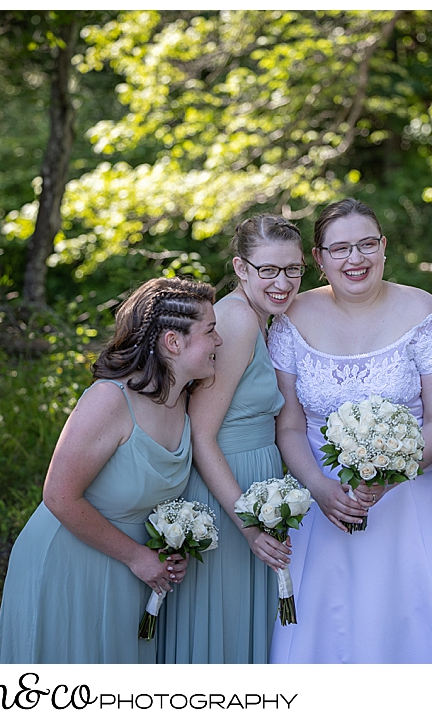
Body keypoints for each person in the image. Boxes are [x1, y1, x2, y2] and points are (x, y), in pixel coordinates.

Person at [266, 198, 432, 663]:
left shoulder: (424, 311)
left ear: (384, 247)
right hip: (324, 500)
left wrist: (390, 475)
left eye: (366, 244)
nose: (355, 259)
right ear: (318, 258)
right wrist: (321, 488)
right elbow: (290, 425)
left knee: (414, 625)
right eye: (339, 248)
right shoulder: (290, 319)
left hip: (409, 498)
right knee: (329, 631)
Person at [0, 277, 221, 664]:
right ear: (173, 342)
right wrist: (137, 556)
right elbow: (59, 496)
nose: (219, 342)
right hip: (70, 564)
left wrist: (168, 548)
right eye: (210, 332)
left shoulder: (183, 401)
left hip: (129, 570)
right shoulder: (110, 399)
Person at [159, 215, 304, 664]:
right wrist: (250, 526)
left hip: (254, 484)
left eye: (293, 270)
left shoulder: (266, 317)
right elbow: (202, 436)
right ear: (241, 268)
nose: (282, 283)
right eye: (268, 271)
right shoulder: (237, 321)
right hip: (227, 491)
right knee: (220, 629)